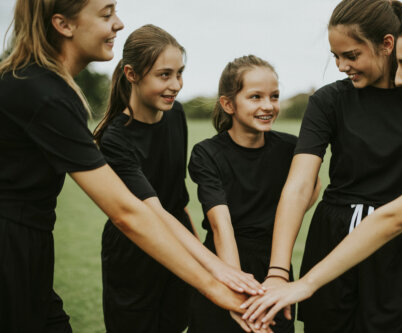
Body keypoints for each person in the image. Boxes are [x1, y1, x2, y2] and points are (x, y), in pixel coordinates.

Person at [241, 0, 402, 332]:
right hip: (337, 238)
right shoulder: (331, 100)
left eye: (350, 55)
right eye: (335, 56)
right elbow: (299, 185)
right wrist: (279, 270)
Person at [0, 1, 251, 331]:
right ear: (63, 24)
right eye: (106, 14)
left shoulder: (37, 85)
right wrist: (216, 286)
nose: (118, 23)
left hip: (28, 248)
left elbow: (169, 205)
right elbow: (128, 212)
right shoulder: (43, 93)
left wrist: (219, 270)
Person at [92, 25, 262, 333]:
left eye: (179, 73)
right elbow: (153, 212)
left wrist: (200, 255)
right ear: (131, 74)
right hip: (133, 253)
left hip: (178, 240)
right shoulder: (115, 138)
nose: (176, 85)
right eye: (164, 75)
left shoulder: (176, 114)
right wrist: (216, 269)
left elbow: (176, 199)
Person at [187, 55, 320, 333]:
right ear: (228, 104)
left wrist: (278, 224)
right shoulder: (207, 153)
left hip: (275, 265)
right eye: (255, 97)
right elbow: (220, 226)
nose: (268, 106)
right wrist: (238, 289)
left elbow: (312, 187)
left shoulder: (289, 149)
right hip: (224, 267)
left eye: (274, 96)